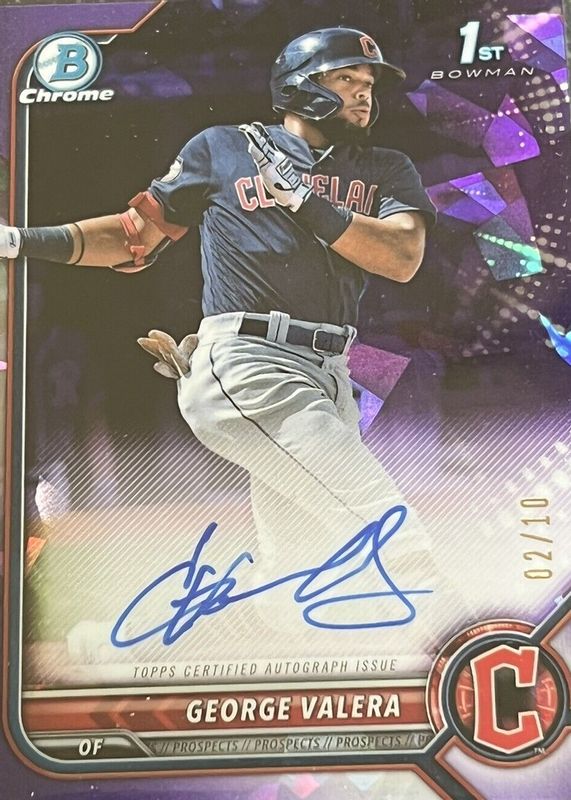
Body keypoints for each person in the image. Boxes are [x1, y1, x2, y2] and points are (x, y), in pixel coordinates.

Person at [2, 29, 444, 641]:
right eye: (347, 79)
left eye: (368, 84)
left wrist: (306, 202)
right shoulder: (225, 148)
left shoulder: (384, 167)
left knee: (294, 572)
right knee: (378, 514)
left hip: (329, 373)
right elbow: (133, 238)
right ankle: (454, 627)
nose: (364, 93)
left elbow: (401, 257)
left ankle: (116, 654)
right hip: (250, 360)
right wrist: (19, 241)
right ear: (301, 84)